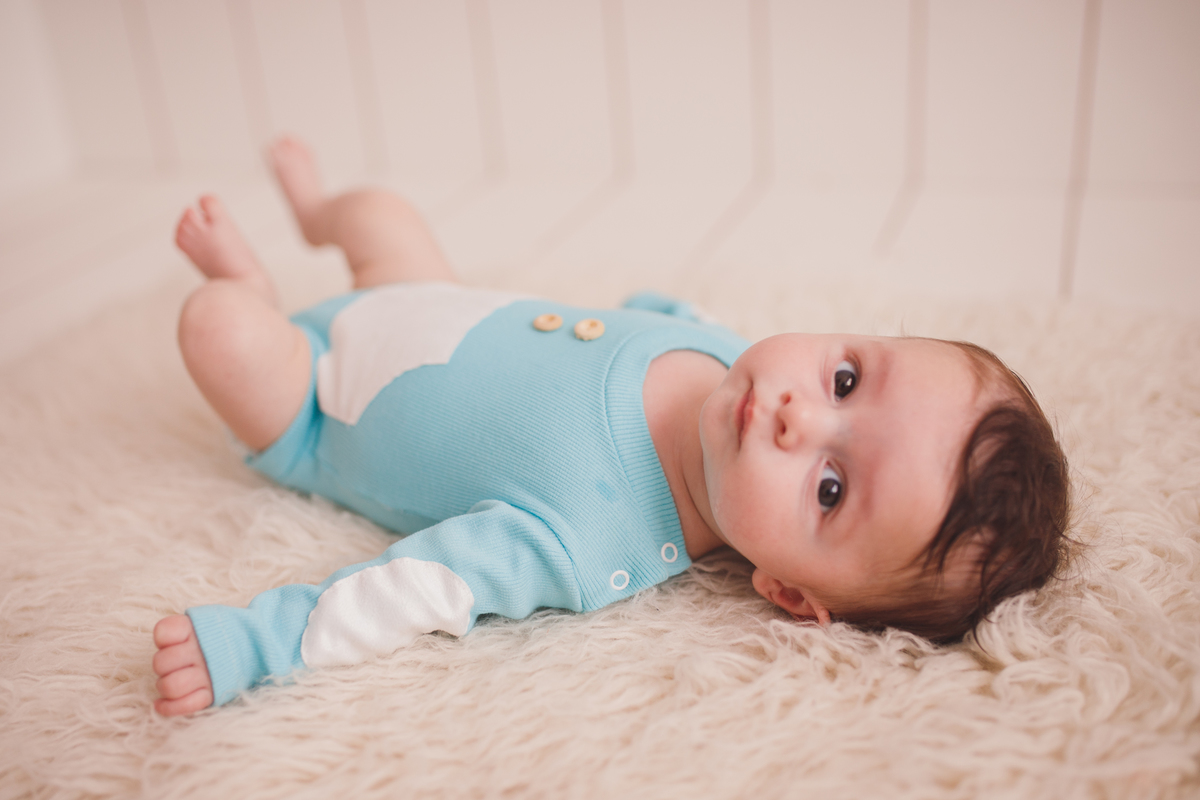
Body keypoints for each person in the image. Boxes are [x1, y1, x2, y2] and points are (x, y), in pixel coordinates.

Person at [151, 138, 1071, 716]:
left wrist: (257, 642)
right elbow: (651, 315)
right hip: (429, 298)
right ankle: (315, 217)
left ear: (790, 592)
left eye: (829, 489)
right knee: (381, 215)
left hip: (322, 400)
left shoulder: (583, 540)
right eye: (844, 377)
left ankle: (253, 291)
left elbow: (408, 590)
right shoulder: (726, 354)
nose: (798, 414)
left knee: (220, 333)